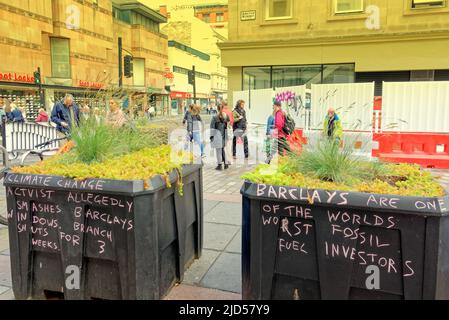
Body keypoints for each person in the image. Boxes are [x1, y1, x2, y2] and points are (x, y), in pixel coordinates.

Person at [210, 104, 230, 170]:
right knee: (222, 149)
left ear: (217, 108)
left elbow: (212, 128)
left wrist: (211, 137)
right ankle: (226, 164)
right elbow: (228, 125)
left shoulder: (214, 117)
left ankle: (219, 165)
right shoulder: (226, 116)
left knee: (218, 150)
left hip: (217, 135)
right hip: (224, 135)